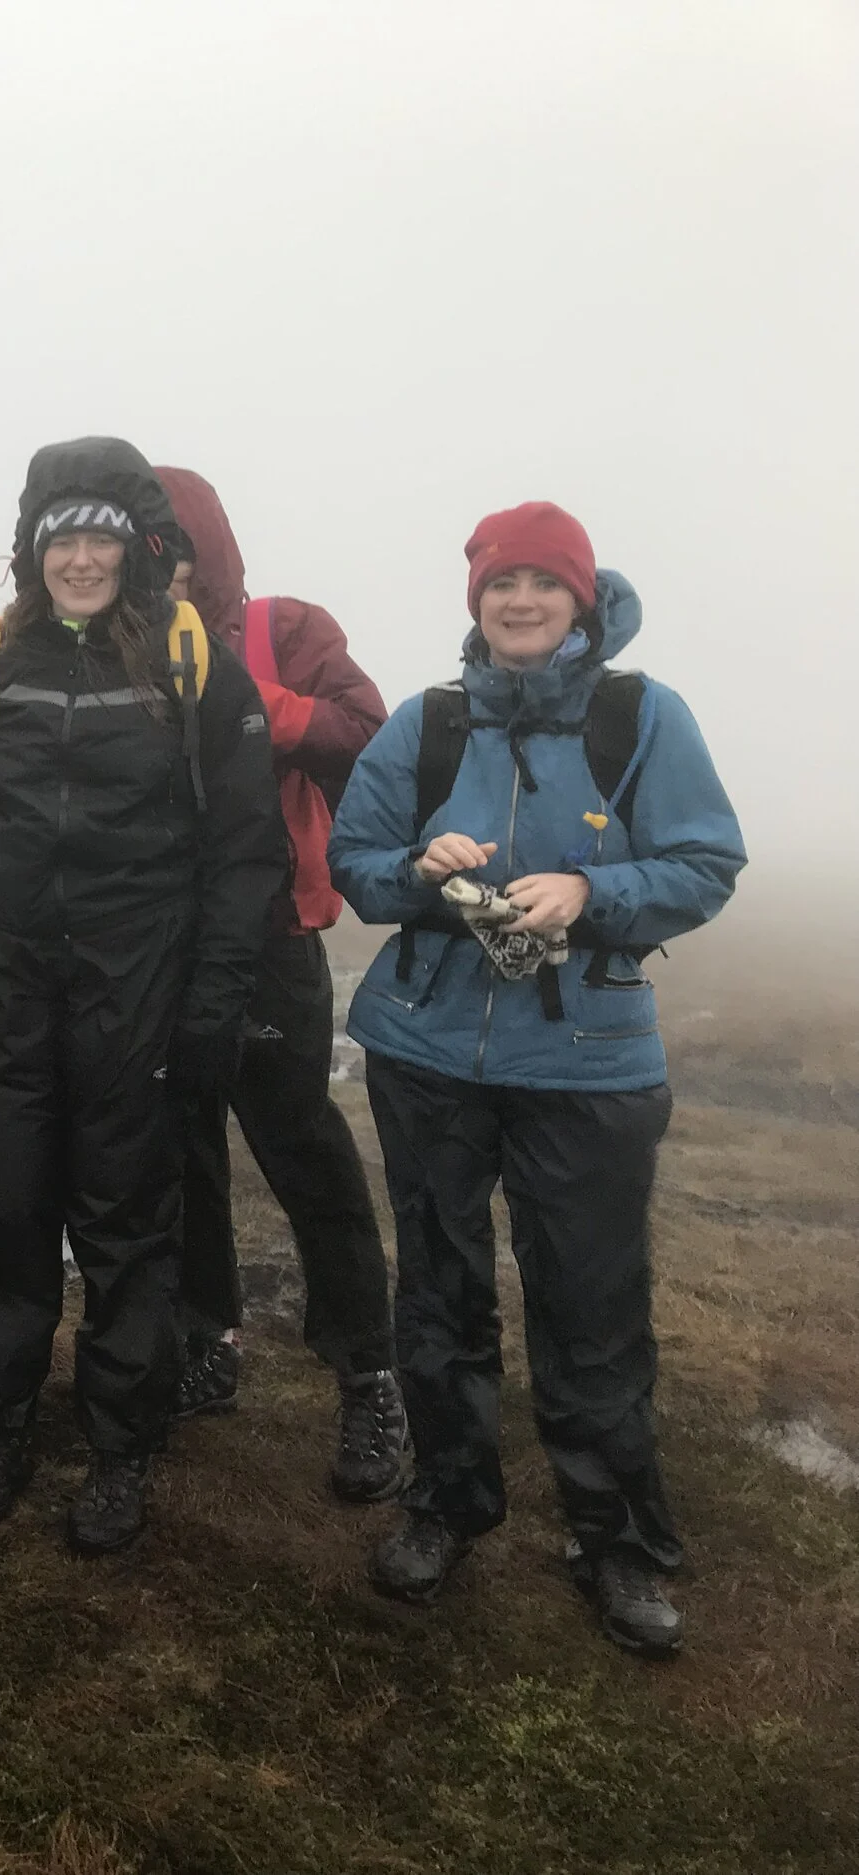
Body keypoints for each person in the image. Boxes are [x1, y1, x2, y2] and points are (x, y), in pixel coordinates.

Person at [328, 501, 744, 1656]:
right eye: (498, 584)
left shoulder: (640, 717)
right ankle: (446, 1505)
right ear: (476, 601)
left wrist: (587, 893)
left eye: (540, 585)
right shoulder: (428, 723)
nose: (517, 602)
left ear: (580, 597)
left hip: (588, 1065)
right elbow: (352, 863)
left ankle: (614, 1543)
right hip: (424, 1052)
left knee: (592, 1309)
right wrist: (419, 867)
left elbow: (706, 860)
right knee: (440, 1293)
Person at [0, 438, 284, 1554]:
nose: (79, 558)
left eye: (98, 538)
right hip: (3, 988)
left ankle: (121, 1445)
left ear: (134, 548)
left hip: (139, 989)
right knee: (11, 1208)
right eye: (58, 539)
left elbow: (245, 853)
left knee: (129, 1225)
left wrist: (214, 1002)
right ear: (31, 554)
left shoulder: (192, 668)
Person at [153, 466, 405, 1502]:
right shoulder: (111, 646)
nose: (153, 562)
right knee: (179, 1154)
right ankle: (205, 1342)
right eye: (138, 542)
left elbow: (367, 737)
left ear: (205, 547)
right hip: (155, 946)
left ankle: (368, 1374)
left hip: (267, 938)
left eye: (172, 543)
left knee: (301, 1148)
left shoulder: (281, 628)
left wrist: (235, 690)